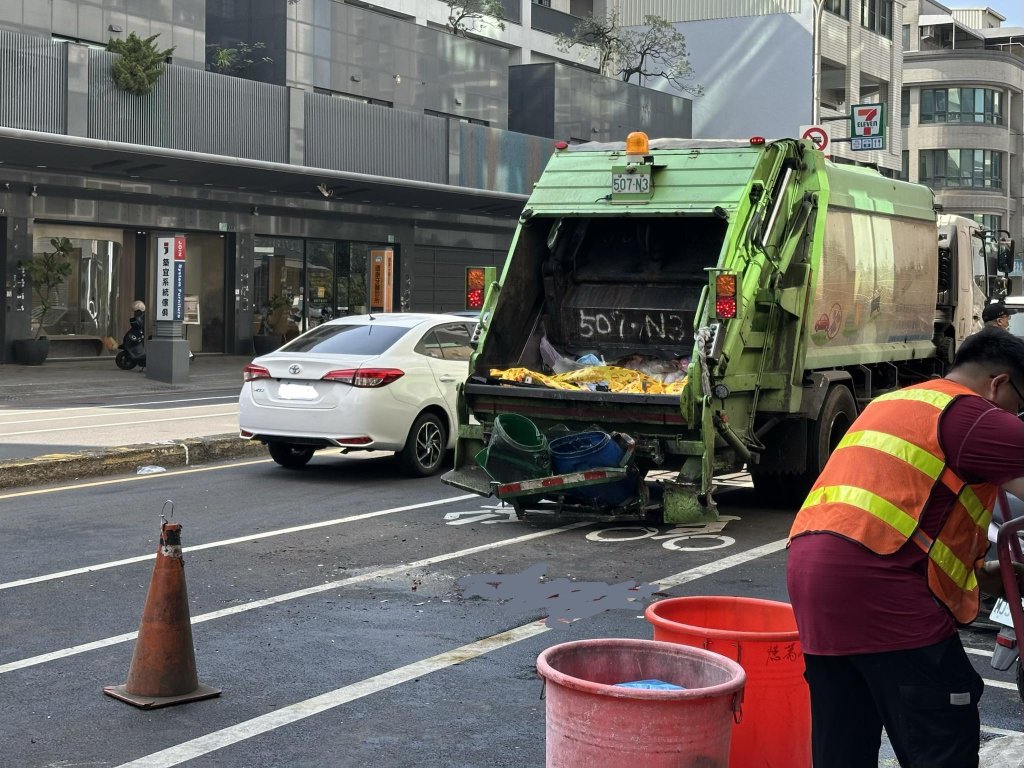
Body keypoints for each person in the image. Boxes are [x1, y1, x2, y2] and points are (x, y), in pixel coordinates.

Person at [787, 327, 1024, 768]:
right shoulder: (974, 415)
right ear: (999, 384)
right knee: (941, 734)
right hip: (880, 589)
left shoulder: (894, 402)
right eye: (1021, 406)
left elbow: (907, 521)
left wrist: (988, 575)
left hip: (813, 582)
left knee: (844, 746)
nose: (1016, 417)